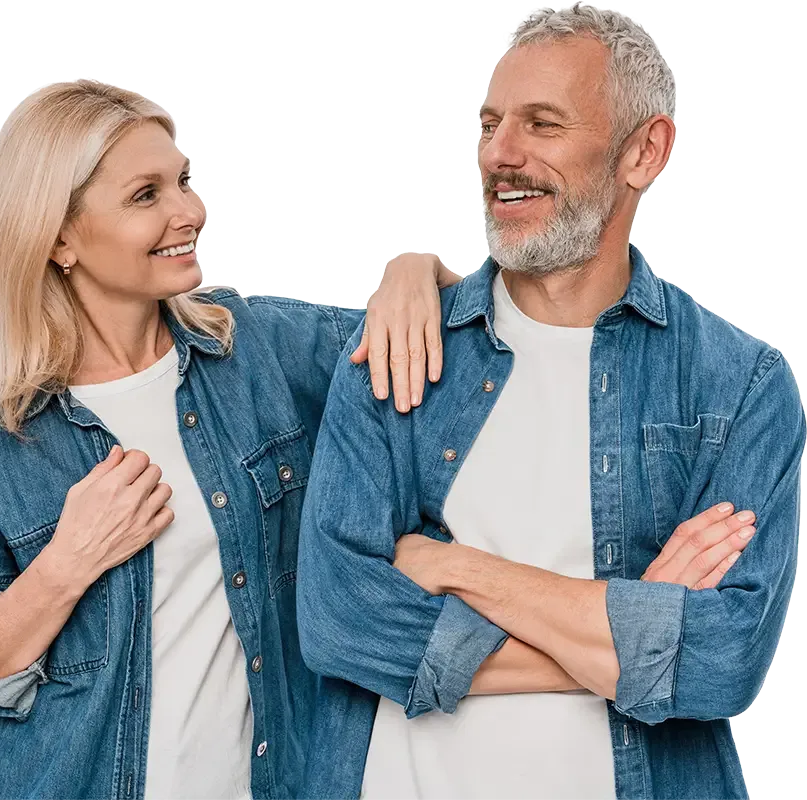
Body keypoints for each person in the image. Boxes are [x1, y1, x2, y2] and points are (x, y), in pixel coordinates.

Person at [0, 78, 459, 800]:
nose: (191, 212)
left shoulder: (259, 350)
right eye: (145, 195)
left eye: (183, 181)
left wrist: (413, 271)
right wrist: (66, 564)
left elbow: (464, 345)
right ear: (58, 236)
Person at [296, 4, 804, 799]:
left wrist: (457, 567)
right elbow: (337, 620)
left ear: (644, 151)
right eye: (491, 122)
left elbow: (721, 663)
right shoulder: (395, 352)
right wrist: (629, 629)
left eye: (542, 124)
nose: (500, 154)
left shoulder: (737, 386)